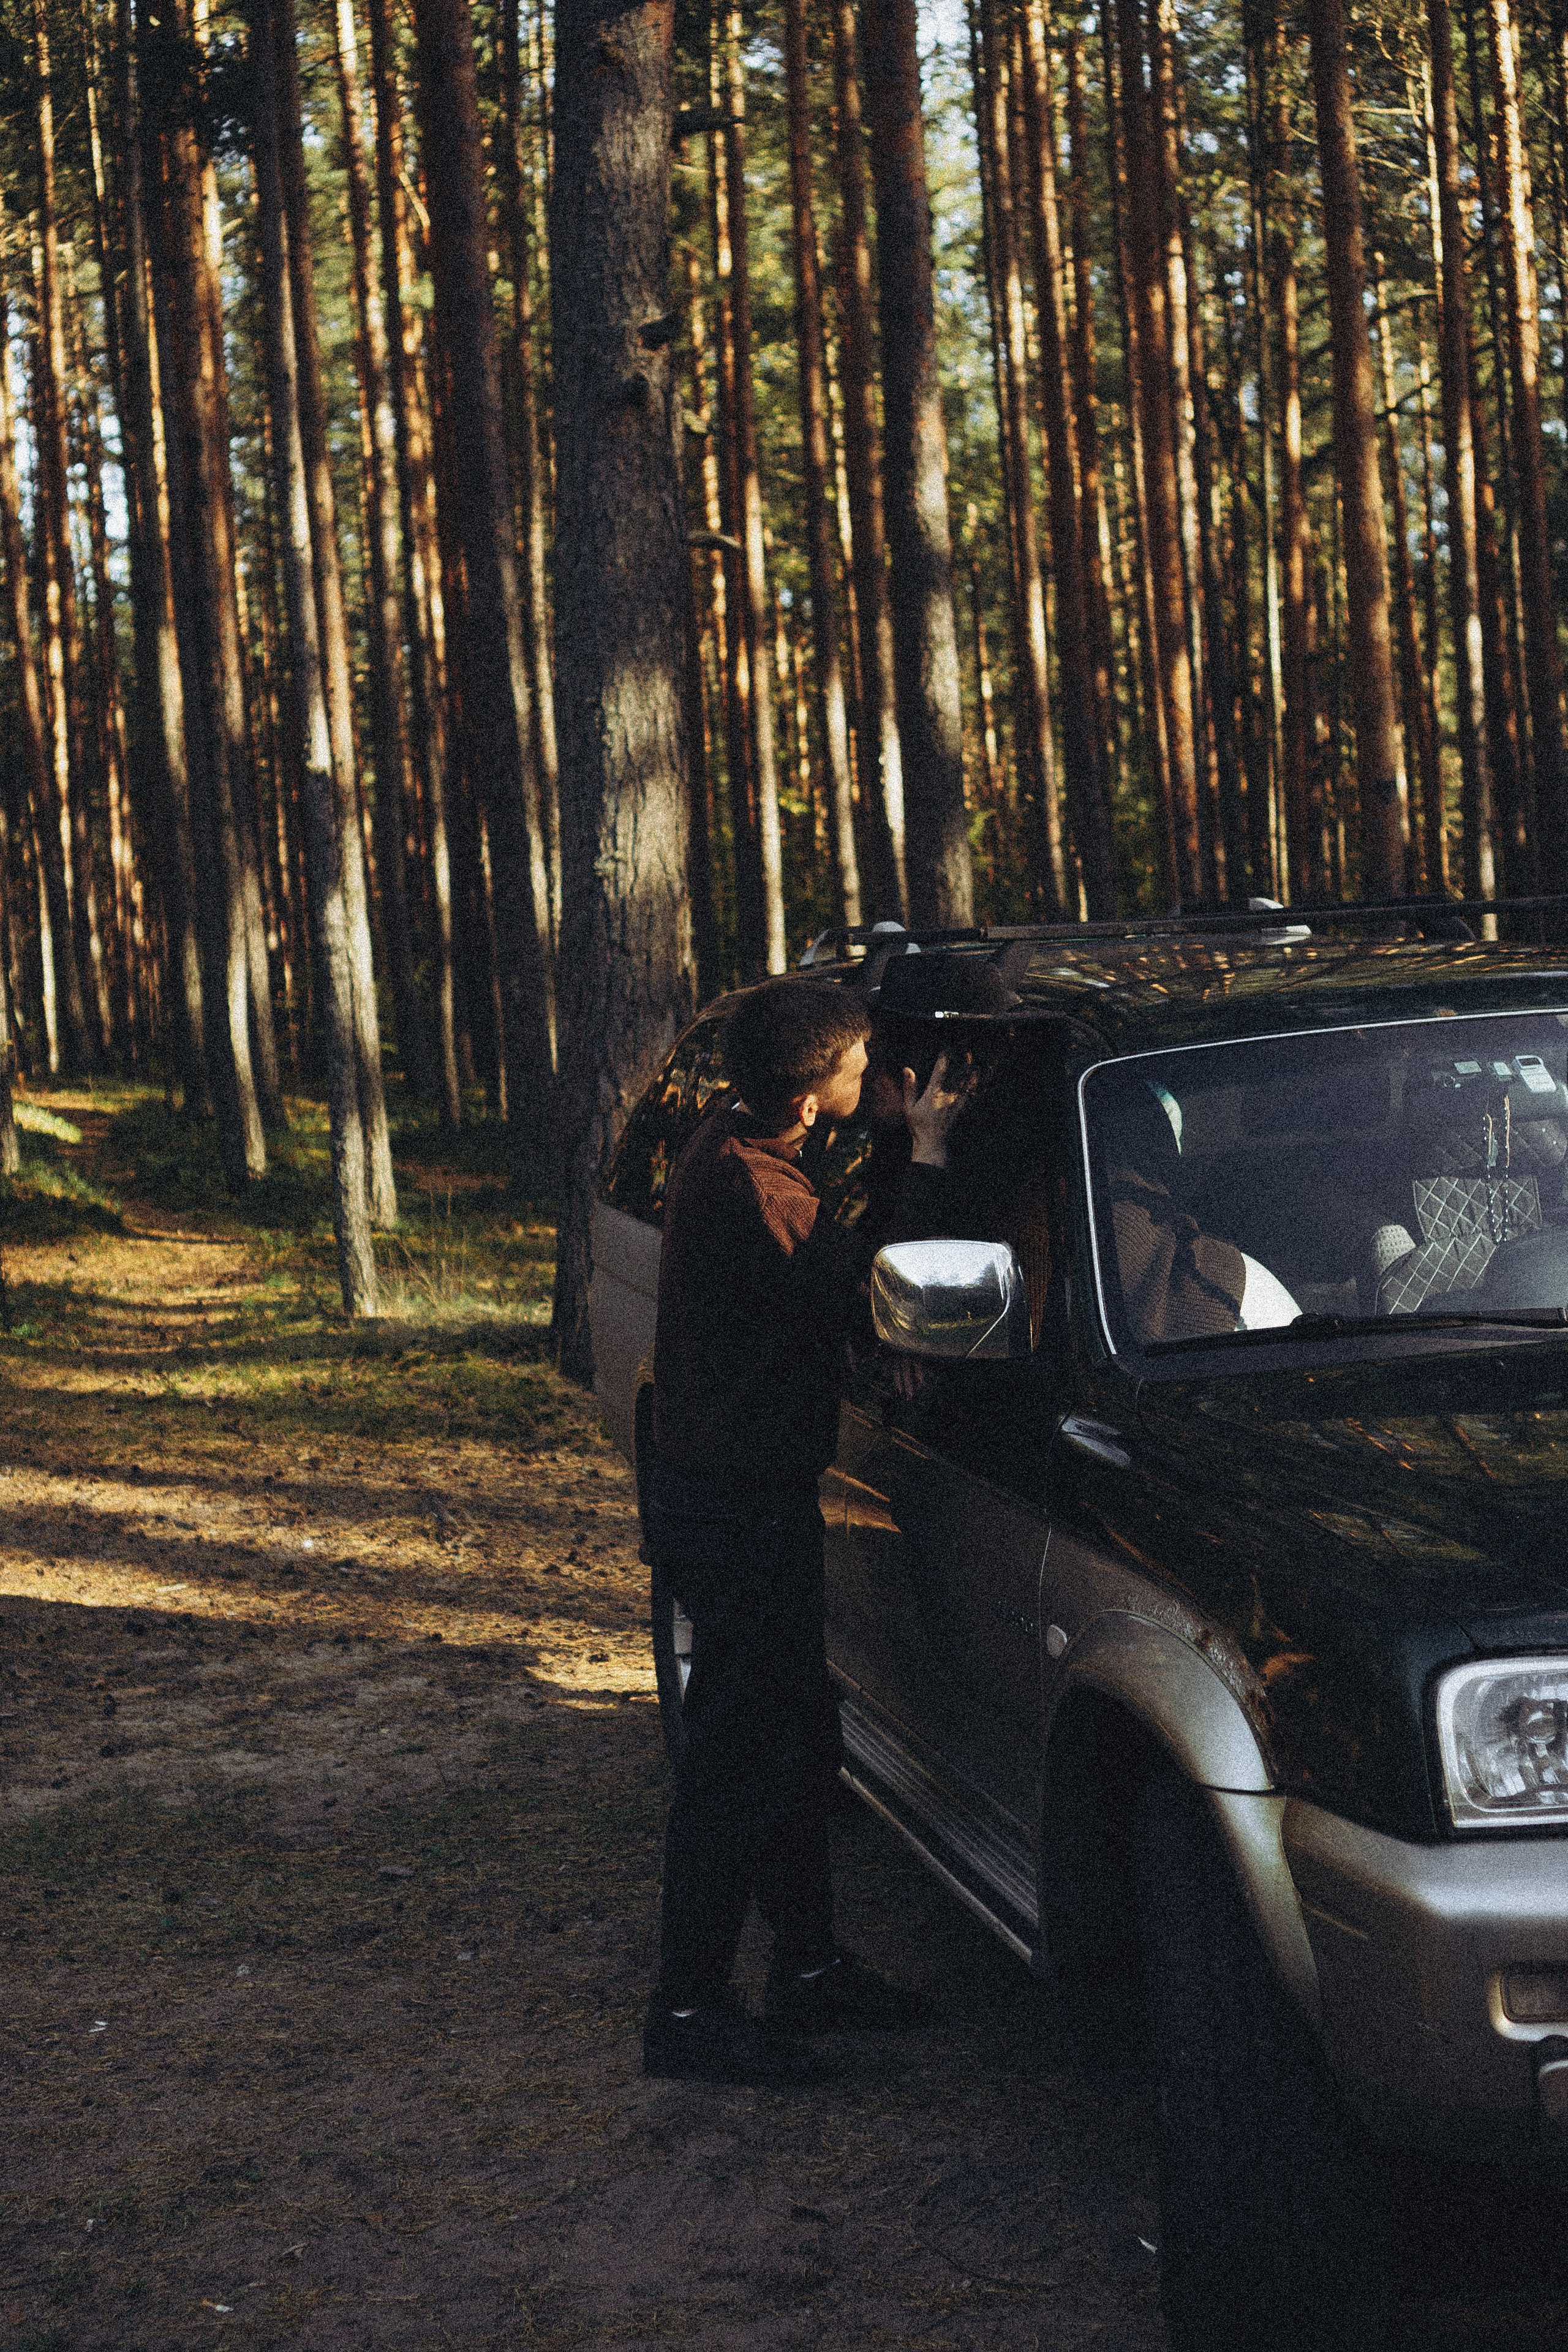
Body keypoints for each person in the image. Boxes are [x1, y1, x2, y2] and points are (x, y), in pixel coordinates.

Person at [643, 978, 968, 2086]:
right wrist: (924, 1156)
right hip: (732, 1509)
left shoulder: (738, 1145)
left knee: (793, 1739)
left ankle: (810, 1969)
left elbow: (815, 1243)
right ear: (811, 1084)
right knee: (737, 1760)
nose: (874, 1073)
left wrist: (876, 1135)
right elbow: (875, 1289)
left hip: (731, 1494)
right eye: (860, 1062)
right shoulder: (755, 1189)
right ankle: (685, 2012)